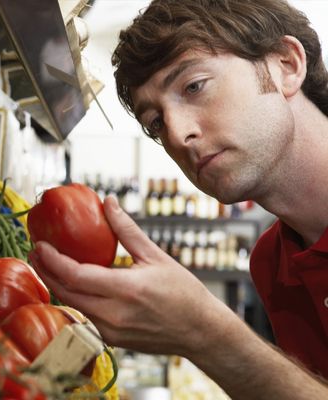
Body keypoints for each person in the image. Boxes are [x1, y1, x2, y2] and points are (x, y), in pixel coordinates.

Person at [28, 0, 328, 398]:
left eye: (194, 86)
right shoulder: (271, 264)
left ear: (286, 65)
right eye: (155, 121)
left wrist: (207, 333)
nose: (176, 134)